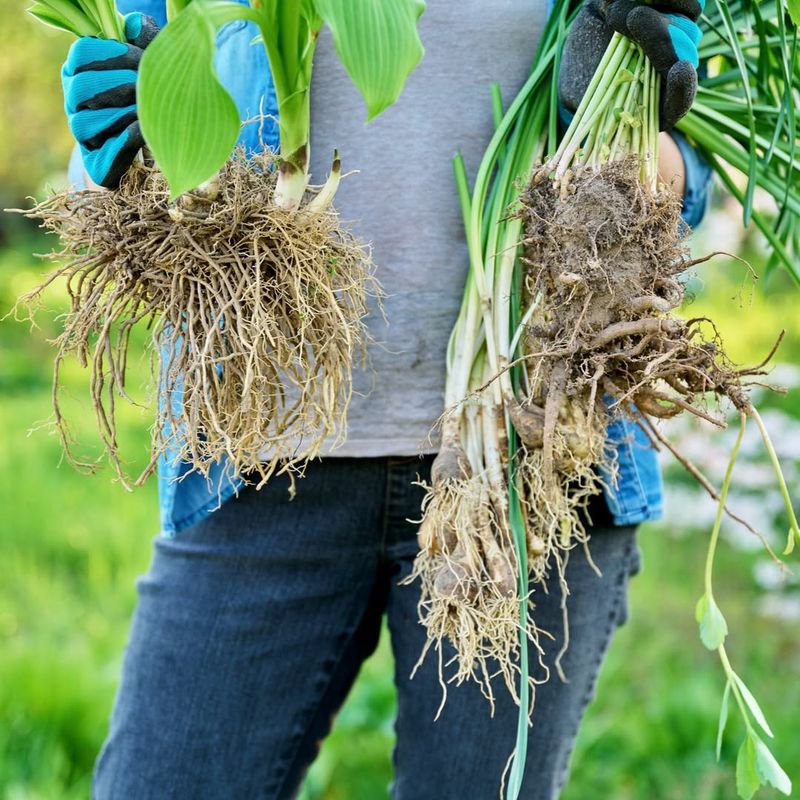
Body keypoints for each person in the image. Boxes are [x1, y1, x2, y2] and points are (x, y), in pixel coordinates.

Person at [62, 1, 711, 797]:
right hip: (260, 456)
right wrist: (108, 144)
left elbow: (689, 176)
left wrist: (628, 125)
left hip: (529, 457)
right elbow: (113, 161)